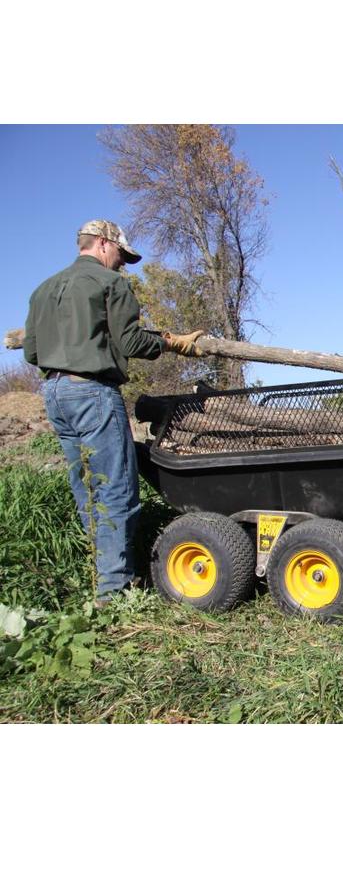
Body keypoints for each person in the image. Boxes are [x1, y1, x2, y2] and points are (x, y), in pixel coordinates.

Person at [23, 220, 204, 606]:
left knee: (86, 489)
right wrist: (171, 343)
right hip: (92, 392)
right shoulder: (111, 284)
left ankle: (99, 577)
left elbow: (32, 353)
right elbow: (132, 340)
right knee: (117, 488)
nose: (122, 264)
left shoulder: (43, 289)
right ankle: (114, 591)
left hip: (55, 393)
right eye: (121, 255)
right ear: (104, 245)